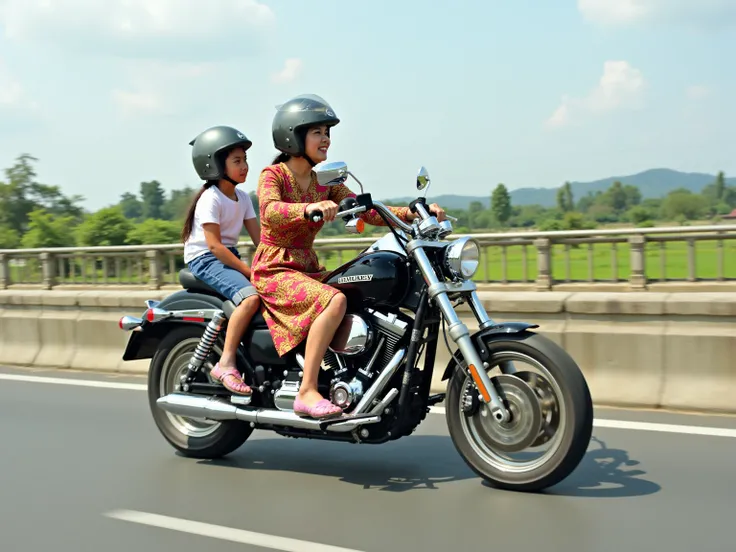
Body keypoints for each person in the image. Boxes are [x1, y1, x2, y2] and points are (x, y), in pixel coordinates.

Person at [250, 94, 446, 419]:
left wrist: (412, 212)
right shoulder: (274, 174)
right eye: (318, 132)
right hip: (275, 269)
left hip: (307, 269)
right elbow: (270, 211)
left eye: (328, 132)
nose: (326, 138)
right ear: (293, 136)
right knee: (334, 301)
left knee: (356, 294)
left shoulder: (325, 178)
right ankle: (307, 391)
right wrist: (308, 208)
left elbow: (366, 210)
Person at [182, 125, 261, 396]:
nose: (245, 166)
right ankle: (226, 364)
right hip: (205, 259)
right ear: (215, 164)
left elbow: (260, 241)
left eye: (246, 160)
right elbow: (214, 246)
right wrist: (248, 271)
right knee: (250, 298)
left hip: (228, 256)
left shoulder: (242, 197)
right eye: (237, 161)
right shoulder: (210, 199)